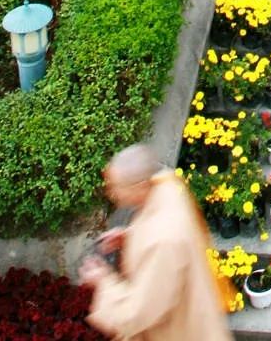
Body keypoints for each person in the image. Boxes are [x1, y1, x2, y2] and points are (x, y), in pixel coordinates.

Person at [81, 143, 234, 339]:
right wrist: (129, 236)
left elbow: (137, 314)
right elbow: (161, 226)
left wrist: (103, 282)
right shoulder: (167, 187)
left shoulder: (163, 242)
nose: (110, 193)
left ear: (140, 186)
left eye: (115, 187)